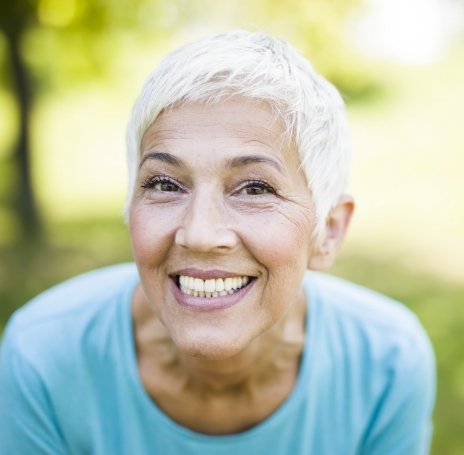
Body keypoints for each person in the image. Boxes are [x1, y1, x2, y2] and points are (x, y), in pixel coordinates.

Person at [0, 30, 435, 454]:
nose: (200, 234)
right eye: (166, 184)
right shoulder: (44, 357)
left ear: (330, 231)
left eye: (255, 189)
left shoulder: (386, 364)